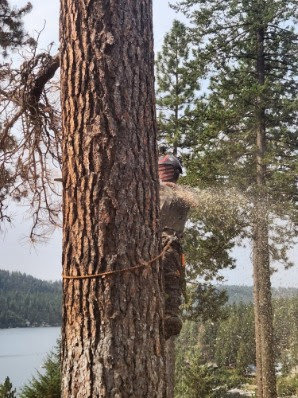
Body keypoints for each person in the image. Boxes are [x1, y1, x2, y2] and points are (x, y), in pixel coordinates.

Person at [158, 148, 189, 339]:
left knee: (170, 280)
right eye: (162, 171)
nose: (164, 175)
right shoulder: (155, 191)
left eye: (166, 171)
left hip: (169, 245)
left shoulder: (181, 195)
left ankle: (171, 317)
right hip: (157, 243)